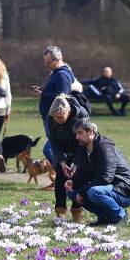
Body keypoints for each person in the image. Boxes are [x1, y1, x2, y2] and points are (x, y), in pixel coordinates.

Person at [64, 118, 130, 226]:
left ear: (91, 131)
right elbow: (82, 172)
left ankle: (120, 216)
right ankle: (105, 216)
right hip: (108, 188)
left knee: (93, 192)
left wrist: (83, 191)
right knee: (72, 192)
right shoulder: (83, 149)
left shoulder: (105, 149)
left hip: (125, 190)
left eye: (80, 133)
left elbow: (105, 178)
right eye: (76, 134)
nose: (77, 137)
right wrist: (73, 181)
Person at [31, 46, 76, 190]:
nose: (46, 65)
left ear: (57, 60)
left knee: (50, 150)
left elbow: (63, 96)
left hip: (56, 119)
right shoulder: (57, 72)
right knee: (52, 149)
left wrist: (43, 94)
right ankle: (65, 179)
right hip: (51, 117)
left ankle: (68, 179)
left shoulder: (62, 75)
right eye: (45, 62)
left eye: (48, 62)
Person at [47, 94, 90, 222]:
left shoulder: (81, 115)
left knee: (79, 176)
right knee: (60, 176)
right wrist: (62, 161)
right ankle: (60, 211)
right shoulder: (51, 118)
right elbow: (53, 142)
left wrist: (76, 164)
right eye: (54, 117)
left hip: (80, 145)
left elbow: (85, 140)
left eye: (60, 117)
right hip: (62, 147)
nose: (57, 120)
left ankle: (76, 211)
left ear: (68, 111)